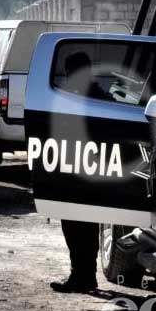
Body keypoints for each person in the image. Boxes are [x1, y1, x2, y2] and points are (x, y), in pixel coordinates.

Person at [50, 51, 102, 293]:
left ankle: (82, 275)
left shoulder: (85, 96)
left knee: (78, 225)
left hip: (82, 171)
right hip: (82, 170)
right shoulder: (99, 95)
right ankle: (83, 275)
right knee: (83, 225)